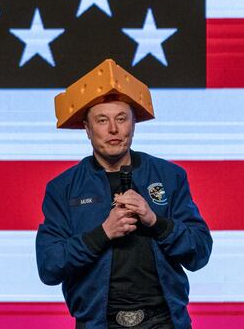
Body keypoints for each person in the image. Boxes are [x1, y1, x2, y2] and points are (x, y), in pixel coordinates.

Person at [36, 59, 212, 329]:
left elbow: (199, 253)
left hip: (164, 321)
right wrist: (103, 233)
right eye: (102, 120)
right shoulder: (63, 188)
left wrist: (156, 222)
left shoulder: (169, 176)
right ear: (87, 128)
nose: (113, 130)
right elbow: (49, 267)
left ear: (134, 124)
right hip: (99, 323)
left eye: (121, 118)